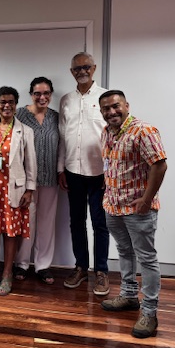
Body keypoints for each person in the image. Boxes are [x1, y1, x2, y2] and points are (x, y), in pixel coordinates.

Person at [98, 90, 167, 339]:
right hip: (113, 206)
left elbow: (160, 165)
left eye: (115, 106)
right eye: (106, 109)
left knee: (146, 258)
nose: (111, 112)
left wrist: (147, 200)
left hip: (138, 209)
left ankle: (149, 311)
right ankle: (129, 295)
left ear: (126, 105)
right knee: (124, 251)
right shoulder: (107, 132)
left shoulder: (143, 131)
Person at [58, 52, 111, 295]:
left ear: (94, 68)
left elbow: (113, 135)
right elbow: (62, 137)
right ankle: (81, 267)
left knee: (100, 223)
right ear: (72, 72)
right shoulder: (66, 100)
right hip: (73, 171)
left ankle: (101, 271)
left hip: (100, 173)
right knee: (76, 222)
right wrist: (61, 168)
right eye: (77, 68)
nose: (82, 71)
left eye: (86, 67)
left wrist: (111, 172)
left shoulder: (106, 97)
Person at [0, 86, 36, 296]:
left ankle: (7, 273)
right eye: (2, 102)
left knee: (11, 234)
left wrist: (29, 190)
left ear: (16, 104)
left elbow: (31, 164)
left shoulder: (25, 131)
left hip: (14, 190)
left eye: (11, 102)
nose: (7, 106)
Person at [13, 77, 59, 285]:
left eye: (46, 93)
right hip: (25, 181)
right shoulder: (19, 115)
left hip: (50, 178)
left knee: (47, 222)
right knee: (26, 221)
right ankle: (22, 263)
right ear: (31, 94)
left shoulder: (56, 117)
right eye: (37, 93)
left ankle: (43, 265)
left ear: (51, 94)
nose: (42, 97)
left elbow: (63, 144)